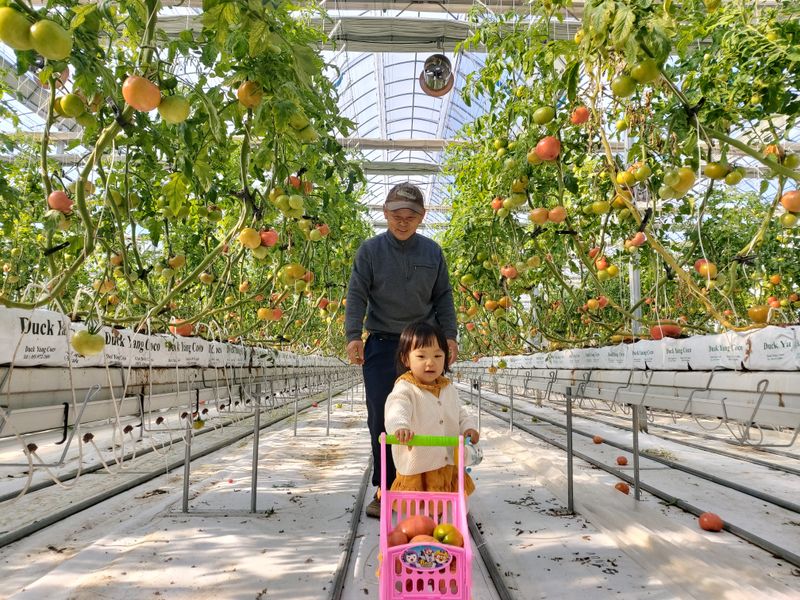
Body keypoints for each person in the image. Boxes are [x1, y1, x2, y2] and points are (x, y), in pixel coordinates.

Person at [345, 182, 459, 518]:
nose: (403, 221)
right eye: (396, 214)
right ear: (385, 214)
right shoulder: (370, 251)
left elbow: (443, 297)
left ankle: (434, 487)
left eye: (411, 215)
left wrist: (449, 336)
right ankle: (386, 488)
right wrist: (354, 335)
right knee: (383, 418)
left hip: (423, 343)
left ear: (422, 217)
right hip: (382, 342)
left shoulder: (432, 253)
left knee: (432, 415)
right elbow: (357, 295)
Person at [385, 321, 479, 498]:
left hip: (448, 463)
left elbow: (460, 413)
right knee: (418, 514)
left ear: (445, 358)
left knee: (448, 503)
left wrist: (468, 427)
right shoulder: (406, 387)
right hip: (418, 464)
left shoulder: (448, 388)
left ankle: (447, 522)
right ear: (406, 359)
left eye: (437, 356)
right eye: (421, 356)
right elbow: (397, 408)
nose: (430, 363)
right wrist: (400, 427)